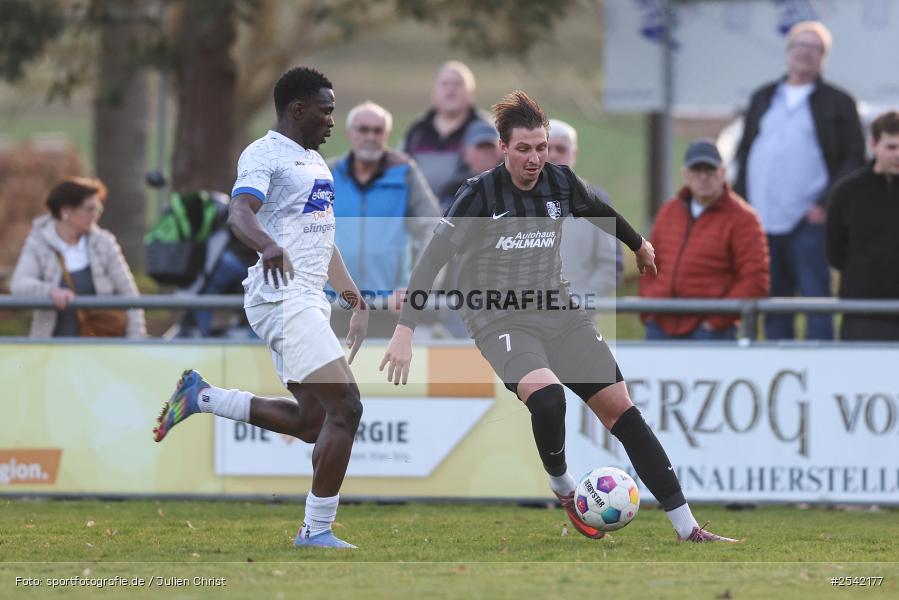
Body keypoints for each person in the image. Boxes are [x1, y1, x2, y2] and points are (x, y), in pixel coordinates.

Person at [381, 91, 736, 543]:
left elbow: (599, 210)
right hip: (498, 318)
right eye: (524, 149)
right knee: (548, 399)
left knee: (623, 412)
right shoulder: (478, 195)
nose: (534, 158)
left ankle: (688, 529)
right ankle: (563, 485)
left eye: (542, 148)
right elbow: (431, 262)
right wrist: (405, 329)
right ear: (503, 148)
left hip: (557, 309)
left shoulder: (560, 182)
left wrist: (638, 244)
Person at [153, 67, 368, 549]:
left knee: (313, 422)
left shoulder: (317, 164)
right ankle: (315, 531)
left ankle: (201, 396)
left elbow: (321, 241)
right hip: (282, 298)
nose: (332, 120)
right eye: (326, 110)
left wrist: (353, 297)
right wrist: (267, 246)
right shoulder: (264, 153)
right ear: (298, 110)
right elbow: (239, 212)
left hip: (306, 298)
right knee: (348, 407)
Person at [733, 20, 865, 340]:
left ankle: (822, 368)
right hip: (762, 220)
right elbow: (746, 152)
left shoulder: (838, 102)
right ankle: (780, 364)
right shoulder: (764, 97)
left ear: (823, 57)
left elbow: (853, 158)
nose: (804, 53)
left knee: (815, 297)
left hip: (809, 221)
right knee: (774, 301)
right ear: (787, 52)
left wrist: (825, 204)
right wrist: (739, 204)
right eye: (798, 46)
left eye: (813, 47)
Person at [328, 101, 440, 336]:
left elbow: (434, 229)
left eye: (377, 131)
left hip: (390, 308)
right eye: (363, 129)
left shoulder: (405, 173)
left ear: (387, 135)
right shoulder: (327, 173)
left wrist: (414, 287)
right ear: (349, 134)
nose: (370, 136)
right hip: (333, 305)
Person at [640, 140, 769, 340]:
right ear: (685, 174)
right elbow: (648, 262)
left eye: (710, 169)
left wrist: (716, 321)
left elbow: (755, 279)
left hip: (710, 332)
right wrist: (649, 309)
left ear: (722, 173)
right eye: (696, 169)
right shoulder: (669, 212)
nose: (703, 176)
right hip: (660, 325)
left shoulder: (744, 219)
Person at [10, 177, 146, 338]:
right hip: (53, 349)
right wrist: (50, 292)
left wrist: (136, 341)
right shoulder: (38, 243)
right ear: (65, 211)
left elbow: (130, 296)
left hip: (103, 348)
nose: (96, 215)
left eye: (98, 208)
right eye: (90, 209)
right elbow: (19, 285)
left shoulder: (105, 243)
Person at [826, 110, 899, 341]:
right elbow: (835, 253)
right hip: (863, 313)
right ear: (873, 145)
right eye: (891, 147)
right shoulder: (846, 193)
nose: (898, 154)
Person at [549, 119, 623, 300]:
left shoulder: (597, 201)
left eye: (561, 149)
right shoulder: (514, 199)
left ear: (574, 153)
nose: (553, 155)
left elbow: (611, 265)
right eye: (546, 148)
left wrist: (580, 300)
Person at [402, 61, 492, 198]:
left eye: (458, 84)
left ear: (471, 92)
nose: (451, 90)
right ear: (434, 92)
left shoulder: (486, 129)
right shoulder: (417, 129)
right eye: (445, 84)